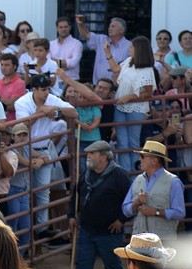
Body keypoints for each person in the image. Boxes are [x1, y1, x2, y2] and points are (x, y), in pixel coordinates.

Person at [65, 141, 132, 269]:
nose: (88, 156)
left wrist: (121, 220)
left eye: (92, 153)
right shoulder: (86, 174)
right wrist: (71, 215)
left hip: (109, 231)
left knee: (112, 266)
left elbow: (130, 201)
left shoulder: (119, 176)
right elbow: (76, 196)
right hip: (87, 228)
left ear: (103, 157)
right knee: (83, 263)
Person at [14, 74, 77, 234]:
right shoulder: (22, 102)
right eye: (43, 89)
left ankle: (41, 228)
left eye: (48, 89)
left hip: (44, 149)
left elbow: (74, 113)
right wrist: (40, 112)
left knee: (43, 191)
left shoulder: (52, 99)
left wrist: (56, 109)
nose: (46, 92)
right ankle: (26, 231)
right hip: (26, 149)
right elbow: (23, 127)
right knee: (25, 192)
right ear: (34, 90)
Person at [103, 35, 157, 171]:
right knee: (122, 142)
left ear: (139, 49)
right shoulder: (128, 61)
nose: (129, 49)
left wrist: (130, 97)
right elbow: (116, 69)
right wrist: (108, 53)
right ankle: (125, 172)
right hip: (121, 106)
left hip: (136, 109)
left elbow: (148, 92)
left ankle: (134, 173)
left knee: (133, 142)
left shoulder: (147, 70)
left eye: (132, 47)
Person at [121, 140, 184, 241]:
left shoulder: (173, 182)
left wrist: (156, 212)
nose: (140, 159)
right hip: (140, 241)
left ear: (154, 161)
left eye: (142, 156)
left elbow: (179, 213)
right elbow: (126, 210)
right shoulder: (137, 180)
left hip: (163, 242)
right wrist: (136, 203)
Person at [77, 15, 132, 85]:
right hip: (98, 86)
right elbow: (86, 35)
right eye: (109, 26)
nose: (110, 28)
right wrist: (80, 24)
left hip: (118, 86)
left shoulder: (129, 46)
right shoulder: (101, 40)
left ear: (122, 30)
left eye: (113, 26)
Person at [49, 16, 83, 81]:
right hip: (54, 82)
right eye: (61, 27)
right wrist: (66, 65)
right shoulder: (51, 44)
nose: (63, 29)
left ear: (70, 27)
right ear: (57, 28)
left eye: (65, 27)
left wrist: (56, 63)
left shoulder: (77, 44)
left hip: (72, 81)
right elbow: (47, 63)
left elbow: (73, 63)